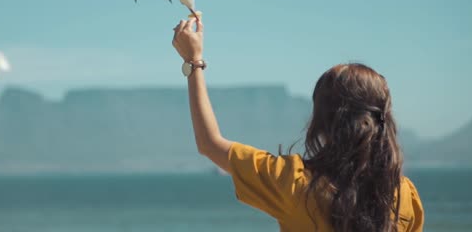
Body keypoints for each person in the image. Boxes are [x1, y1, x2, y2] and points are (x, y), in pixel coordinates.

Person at [171, 18, 424, 232]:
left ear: (323, 121)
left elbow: (210, 143)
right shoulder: (403, 196)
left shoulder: (293, 182)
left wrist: (194, 62)